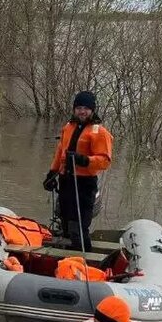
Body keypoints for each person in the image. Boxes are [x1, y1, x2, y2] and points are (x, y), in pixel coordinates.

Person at [42, 91, 112, 251]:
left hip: (84, 184)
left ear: (92, 110)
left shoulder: (99, 132)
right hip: (66, 180)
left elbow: (104, 161)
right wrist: (52, 174)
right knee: (65, 219)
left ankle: (84, 258)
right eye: (79, 107)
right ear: (74, 109)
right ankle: (63, 256)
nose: (82, 111)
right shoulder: (68, 127)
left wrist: (85, 160)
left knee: (78, 225)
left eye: (86, 108)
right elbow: (61, 152)